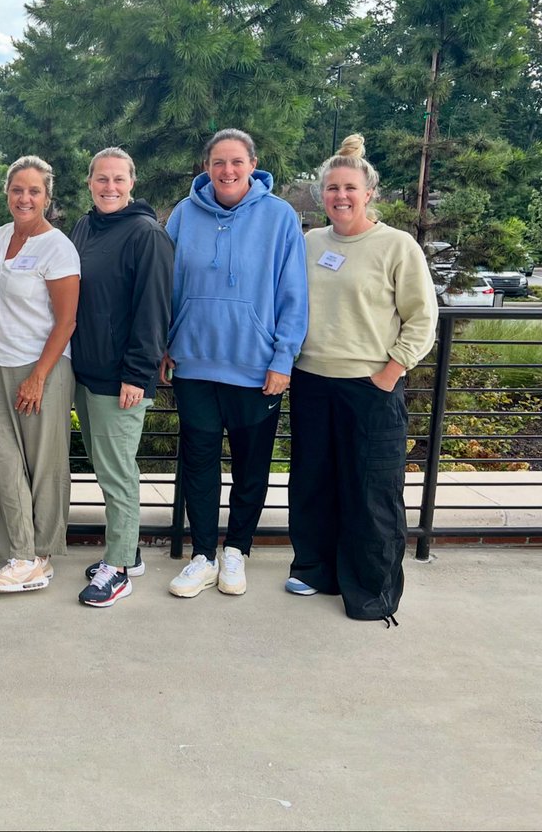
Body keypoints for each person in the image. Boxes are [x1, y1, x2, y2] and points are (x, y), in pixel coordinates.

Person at [286, 135, 437, 623]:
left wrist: (392, 371)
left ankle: (372, 588)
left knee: (372, 490)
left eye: (350, 187)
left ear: (369, 192)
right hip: (311, 380)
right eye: (331, 188)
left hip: (370, 385)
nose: (340, 196)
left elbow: (421, 317)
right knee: (313, 483)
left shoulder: (396, 245)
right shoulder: (308, 243)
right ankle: (314, 570)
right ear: (320, 195)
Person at [163, 128, 308, 598]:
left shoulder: (280, 217)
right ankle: (203, 554)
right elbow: (166, 287)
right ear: (206, 167)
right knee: (200, 464)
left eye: (236, 162)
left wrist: (282, 357)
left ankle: (237, 550)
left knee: (251, 467)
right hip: (194, 364)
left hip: (255, 365)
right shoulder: (184, 215)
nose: (227, 171)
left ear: (253, 163)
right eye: (218, 162)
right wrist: (165, 343)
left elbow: (294, 295)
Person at [70, 148, 174, 607]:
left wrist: (138, 372)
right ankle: (127, 552)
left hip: (122, 380)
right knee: (107, 467)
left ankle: (118, 570)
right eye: (101, 179)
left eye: (118, 179)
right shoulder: (84, 226)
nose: (109, 187)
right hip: (86, 372)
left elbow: (154, 310)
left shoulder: (146, 234)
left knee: (117, 475)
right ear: (89, 182)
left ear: (132, 183)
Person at [0, 155, 80, 593]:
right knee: (2, 462)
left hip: (42, 368)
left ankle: (39, 556)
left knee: (43, 466)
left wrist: (39, 376)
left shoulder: (57, 247)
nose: (24, 197)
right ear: (7, 193)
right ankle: (19, 552)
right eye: (17, 190)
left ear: (47, 197)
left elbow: (66, 321)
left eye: (33, 191)